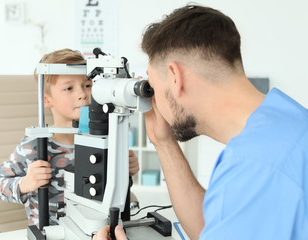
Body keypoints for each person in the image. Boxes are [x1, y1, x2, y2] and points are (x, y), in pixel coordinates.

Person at [94, 4, 308, 240]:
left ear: (175, 77)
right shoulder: (286, 118)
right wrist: (163, 142)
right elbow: (212, 228)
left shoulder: (255, 166)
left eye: (154, 86)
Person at [0, 48, 140, 226]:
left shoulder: (105, 141)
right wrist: (25, 183)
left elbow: (110, 191)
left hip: (94, 230)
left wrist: (126, 172)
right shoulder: (34, 146)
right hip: (51, 232)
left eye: (88, 85)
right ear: (46, 100)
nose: (83, 94)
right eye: (69, 88)